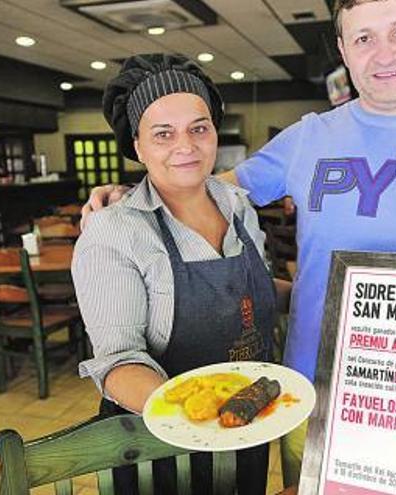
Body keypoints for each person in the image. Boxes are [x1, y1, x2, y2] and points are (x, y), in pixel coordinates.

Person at [82, 0, 396, 487]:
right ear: (343, 49)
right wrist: (129, 195)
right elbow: (199, 183)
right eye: (364, 38)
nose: (383, 53)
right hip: (310, 386)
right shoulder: (308, 137)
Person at [72, 53, 286, 494]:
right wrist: (197, 419)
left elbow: (252, 293)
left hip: (245, 428)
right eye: (163, 134)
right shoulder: (115, 231)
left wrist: (335, 295)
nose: (185, 146)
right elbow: (118, 362)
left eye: (198, 128)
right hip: (158, 448)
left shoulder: (238, 205)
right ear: (137, 145)